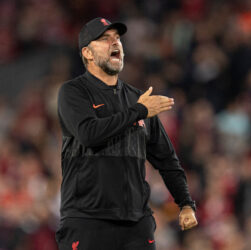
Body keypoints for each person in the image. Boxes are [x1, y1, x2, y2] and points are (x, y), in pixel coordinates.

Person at [56, 17, 198, 250]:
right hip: (87, 220)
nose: (115, 43)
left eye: (117, 38)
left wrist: (185, 203)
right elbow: (89, 134)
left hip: (136, 223)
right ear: (88, 53)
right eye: (105, 39)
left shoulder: (137, 99)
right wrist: (139, 111)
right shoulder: (73, 92)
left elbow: (167, 160)